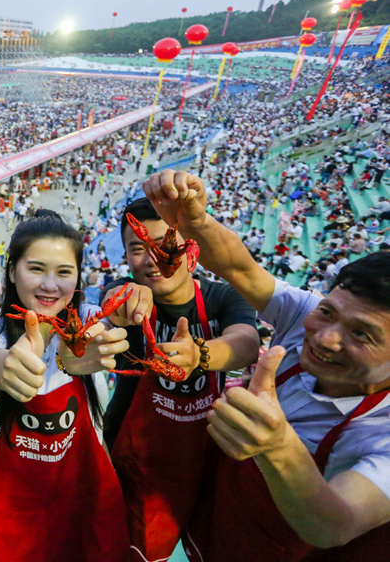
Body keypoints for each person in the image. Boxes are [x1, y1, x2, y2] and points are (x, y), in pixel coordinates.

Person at [143, 169, 390, 561]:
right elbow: (241, 269)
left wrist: (277, 447)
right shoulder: (308, 314)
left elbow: (336, 523)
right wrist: (197, 223)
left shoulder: (383, 429)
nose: (325, 336)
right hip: (216, 525)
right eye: (327, 312)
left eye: (362, 334)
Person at [0, 210, 131, 561]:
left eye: (64, 272)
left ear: (79, 277)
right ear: (11, 271)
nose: (50, 285)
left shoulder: (94, 321)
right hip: (14, 504)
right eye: (36, 269)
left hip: (86, 491)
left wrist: (135, 299)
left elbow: (122, 313)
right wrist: (10, 368)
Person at [99, 197, 259, 561]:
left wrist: (200, 355)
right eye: (138, 248)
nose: (153, 258)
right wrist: (119, 301)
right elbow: (115, 300)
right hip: (137, 466)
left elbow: (246, 342)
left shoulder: (222, 297)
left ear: (190, 249)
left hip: (209, 460)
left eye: (165, 246)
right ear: (125, 256)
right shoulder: (128, 296)